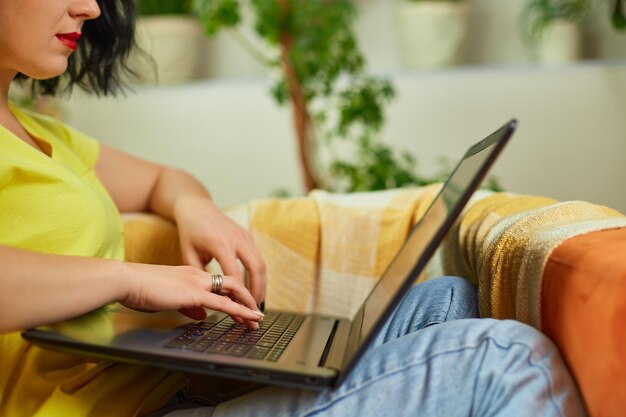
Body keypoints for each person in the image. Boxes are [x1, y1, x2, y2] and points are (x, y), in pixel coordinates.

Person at [0, 1, 586, 416]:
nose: (90, 8)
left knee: (449, 302)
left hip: (169, 389)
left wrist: (196, 209)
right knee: (503, 358)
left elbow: (164, 179)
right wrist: (129, 278)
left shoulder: (38, 132)